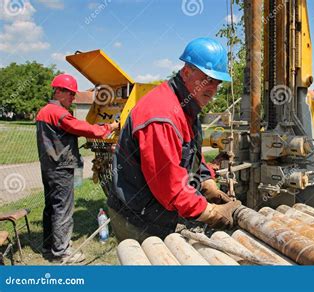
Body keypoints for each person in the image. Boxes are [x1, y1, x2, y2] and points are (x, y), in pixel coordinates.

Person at [108, 37, 242, 242]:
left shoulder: (187, 105)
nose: (213, 88)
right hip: (138, 220)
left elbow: (190, 153)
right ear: (186, 72)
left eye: (217, 82)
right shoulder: (162, 116)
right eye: (207, 79)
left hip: (156, 211)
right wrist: (211, 213)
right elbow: (170, 188)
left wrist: (206, 182)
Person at [36, 74, 119, 263]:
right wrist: (109, 127)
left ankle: (49, 248)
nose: (73, 98)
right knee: (63, 210)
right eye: (70, 94)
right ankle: (62, 252)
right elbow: (82, 128)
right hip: (61, 168)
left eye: (74, 95)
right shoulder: (58, 112)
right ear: (58, 91)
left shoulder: (44, 111)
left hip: (49, 167)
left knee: (51, 208)